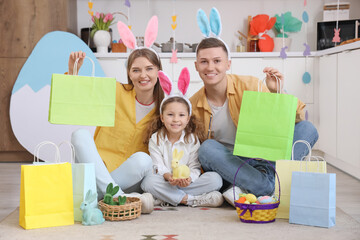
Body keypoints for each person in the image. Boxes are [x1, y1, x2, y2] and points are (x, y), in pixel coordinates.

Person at [190, 37, 319, 207]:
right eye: (204, 62)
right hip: (231, 164)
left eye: (217, 61)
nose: (210, 67)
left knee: (307, 128)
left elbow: (295, 118)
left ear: (228, 64)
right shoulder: (192, 105)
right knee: (206, 149)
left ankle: (255, 185)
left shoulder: (251, 84)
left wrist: (277, 93)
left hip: (264, 156)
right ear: (196, 66)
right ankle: (271, 186)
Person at [69, 48, 164, 214]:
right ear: (129, 73)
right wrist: (73, 71)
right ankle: (116, 198)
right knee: (80, 134)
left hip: (130, 178)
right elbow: (79, 99)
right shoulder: (114, 90)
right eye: (136, 70)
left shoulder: (166, 109)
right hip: (98, 168)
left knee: (143, 160)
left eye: (149, 69)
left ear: (159, 72)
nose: (143, 75)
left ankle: (94, 197)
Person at [141, 68, 223, 207]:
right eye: (170, 115)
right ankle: (190, 200)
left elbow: (195, 167)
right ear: (162, 117)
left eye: (181, 115)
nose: (175, 120)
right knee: (148, 182)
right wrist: (168, 176)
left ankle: (166, 198)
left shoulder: (192, 139)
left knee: (215, 179)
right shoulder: (156, 139)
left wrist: (189, 178)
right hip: (165, 182)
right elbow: (157, 166)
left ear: (187, 119)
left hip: (186, 184)